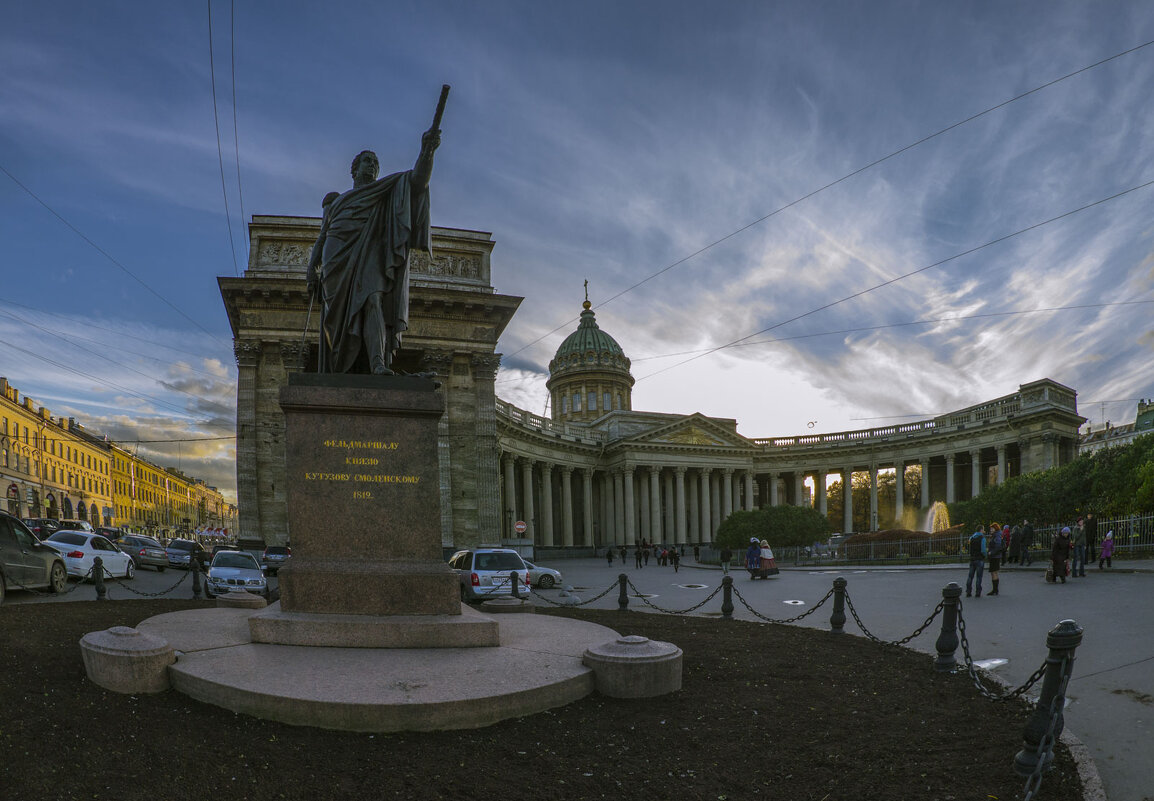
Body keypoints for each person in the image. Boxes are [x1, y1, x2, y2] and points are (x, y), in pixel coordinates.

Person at [306, 122, 442, 375]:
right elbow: (322, 236)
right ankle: (340, 368)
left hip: (370, 255)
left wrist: (427, 150)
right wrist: (312, 268)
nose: (373, 166)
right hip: (336, 262)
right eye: (367, 161)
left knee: (373, 299)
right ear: (354, 169)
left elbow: (418, 181)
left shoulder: (384, 193)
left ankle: (378, 363)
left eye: (376, 163)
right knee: (335, 323)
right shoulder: (336, 201)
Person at [965, 527, 986, 597]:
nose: (984, 531)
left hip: (972, 559)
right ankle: (978, 592)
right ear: (981, 530)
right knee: (979, 577)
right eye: (983, 529)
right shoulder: (982, 538)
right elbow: (983, 550)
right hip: (979, 559)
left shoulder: (972, 538)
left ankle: (968, 591)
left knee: (970, 576)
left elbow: (969, 546)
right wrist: (985, 555)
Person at [987, 524, 1004, 595]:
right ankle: (995, 589)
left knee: (993, 572)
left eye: (992, 529)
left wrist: (991, 552)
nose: (991, 530)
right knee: (994, 572)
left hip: (995, 556)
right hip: (995, 556)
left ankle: (995, 590)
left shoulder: (997, 536)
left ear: (995, 528)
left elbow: (998, 546)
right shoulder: (996, 535)